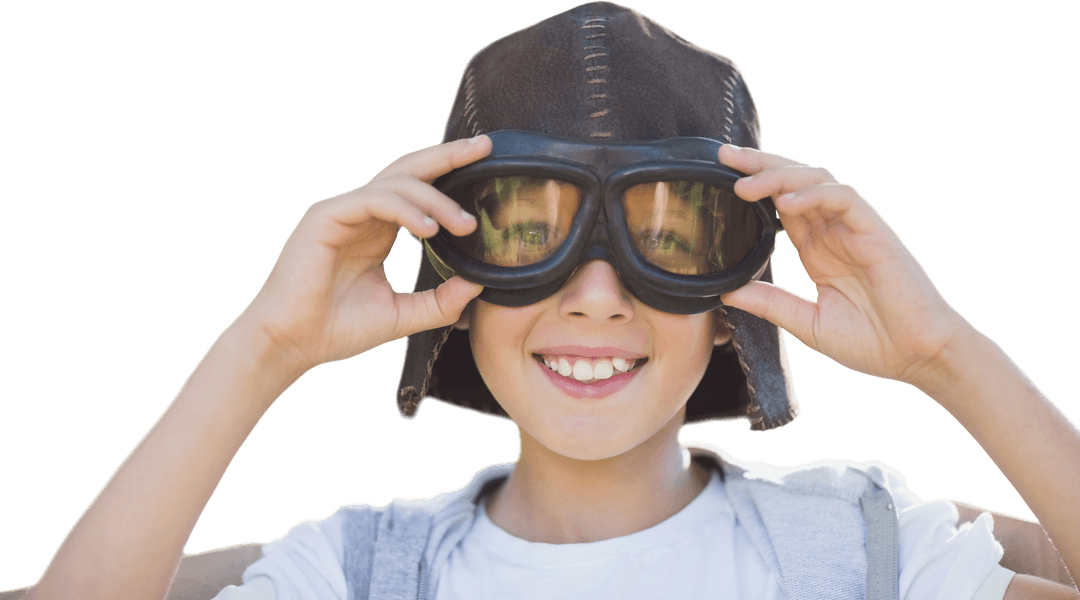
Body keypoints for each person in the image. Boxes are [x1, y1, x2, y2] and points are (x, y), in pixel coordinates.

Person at [22, 2, 1080, 599]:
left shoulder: (864, 551)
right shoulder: (359, 574)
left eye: (669, 234)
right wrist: (264, 344)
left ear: (732, 293)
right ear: (451, 274)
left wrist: (945, 350)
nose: (597, 296)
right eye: (527, 228)